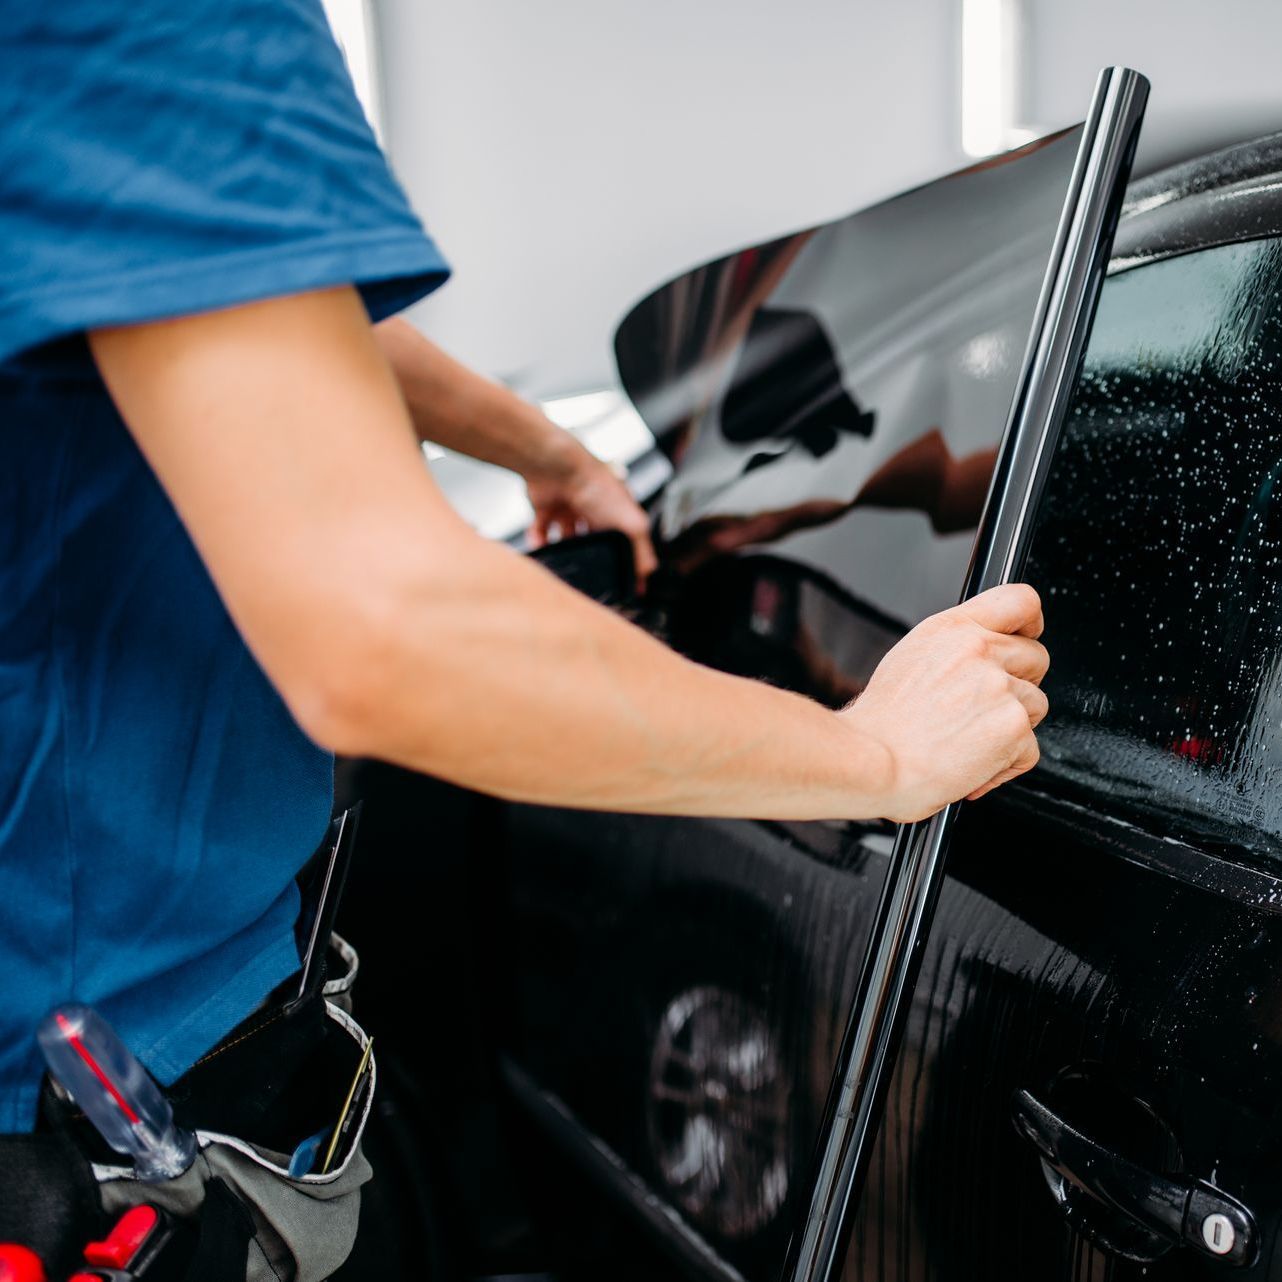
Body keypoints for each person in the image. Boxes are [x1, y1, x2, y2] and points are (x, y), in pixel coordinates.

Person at [0, 0, 1048, 1267]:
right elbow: (387, 633)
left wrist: (542, 448)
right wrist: (876, 754)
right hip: (95, 1134)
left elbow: (242, 307)